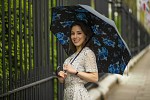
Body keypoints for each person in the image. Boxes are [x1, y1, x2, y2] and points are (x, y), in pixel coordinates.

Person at [57, 21, 98, 100]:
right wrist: (61, 77)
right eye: (72, 33)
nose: (75, 36)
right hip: (67, 95)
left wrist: (75, 72)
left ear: (85, 36)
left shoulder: (87, 53)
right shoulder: (70, 58)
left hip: (79, 96)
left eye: (79, 33)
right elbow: (66, 81)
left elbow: (95, 77)